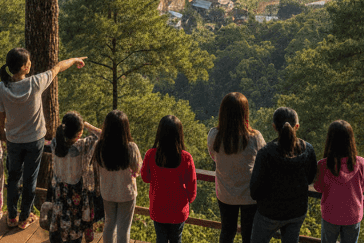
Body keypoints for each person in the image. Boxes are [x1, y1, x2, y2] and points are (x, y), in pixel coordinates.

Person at [0, 47, 88, 229]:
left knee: (14, 178)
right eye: (28, 62)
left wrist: (2, 133)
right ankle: (24, 218)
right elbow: (58, 67)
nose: (31, 64)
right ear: (23, 67)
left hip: (13, 140)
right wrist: (75, 58)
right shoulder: (35, 83)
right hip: (34, 140)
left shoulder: (2, 87)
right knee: (30, 179)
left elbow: (0, 114)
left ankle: (12, 216)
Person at [249, 107, 317, 243]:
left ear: (274, 127)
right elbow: (310, 179)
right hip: (297, 211)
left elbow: (254, 191)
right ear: (296, 126)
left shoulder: (265, 153)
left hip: (269, 212)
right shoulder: (307, 150)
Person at [208, 93, 264, 243]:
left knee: (227, 231)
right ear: (245, 112)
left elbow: (213, 156)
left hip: (225, 193)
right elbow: (262, 161)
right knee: (248, 234)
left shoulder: (214, 135)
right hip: (250, 195)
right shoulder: (255, 137)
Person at [140, 115, 196, 243]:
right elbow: (192, 186)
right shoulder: (186, 158)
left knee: (161, 239)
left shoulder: (151, 154)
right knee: (176, 239)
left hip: (158, 207)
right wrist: (188, 200)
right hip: (178, 209)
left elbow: (145, 177)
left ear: (160, 133)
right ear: (179, 134)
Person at [48, 111, 102, 243]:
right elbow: (102, 135)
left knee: (62, 219)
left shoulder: (55, 143)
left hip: (60, 191)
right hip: (77, 192)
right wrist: (87, 124)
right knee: (75, 224)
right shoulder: (82, 145)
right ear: (79, 132)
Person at [315, 121, 364, 243]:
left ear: (330, 140)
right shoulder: (360, 163)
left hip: (330, 214)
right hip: (353, 215)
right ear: (351, 139)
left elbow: (318, 187)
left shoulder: (323, 165)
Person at [93, 109, 142, 243]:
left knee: (109, 225)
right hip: (126, 193)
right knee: (123, 229)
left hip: (108, 192)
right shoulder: (131, 148)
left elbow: (97, 168)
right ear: (125, 128)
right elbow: (138, 170)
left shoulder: (99, 147)